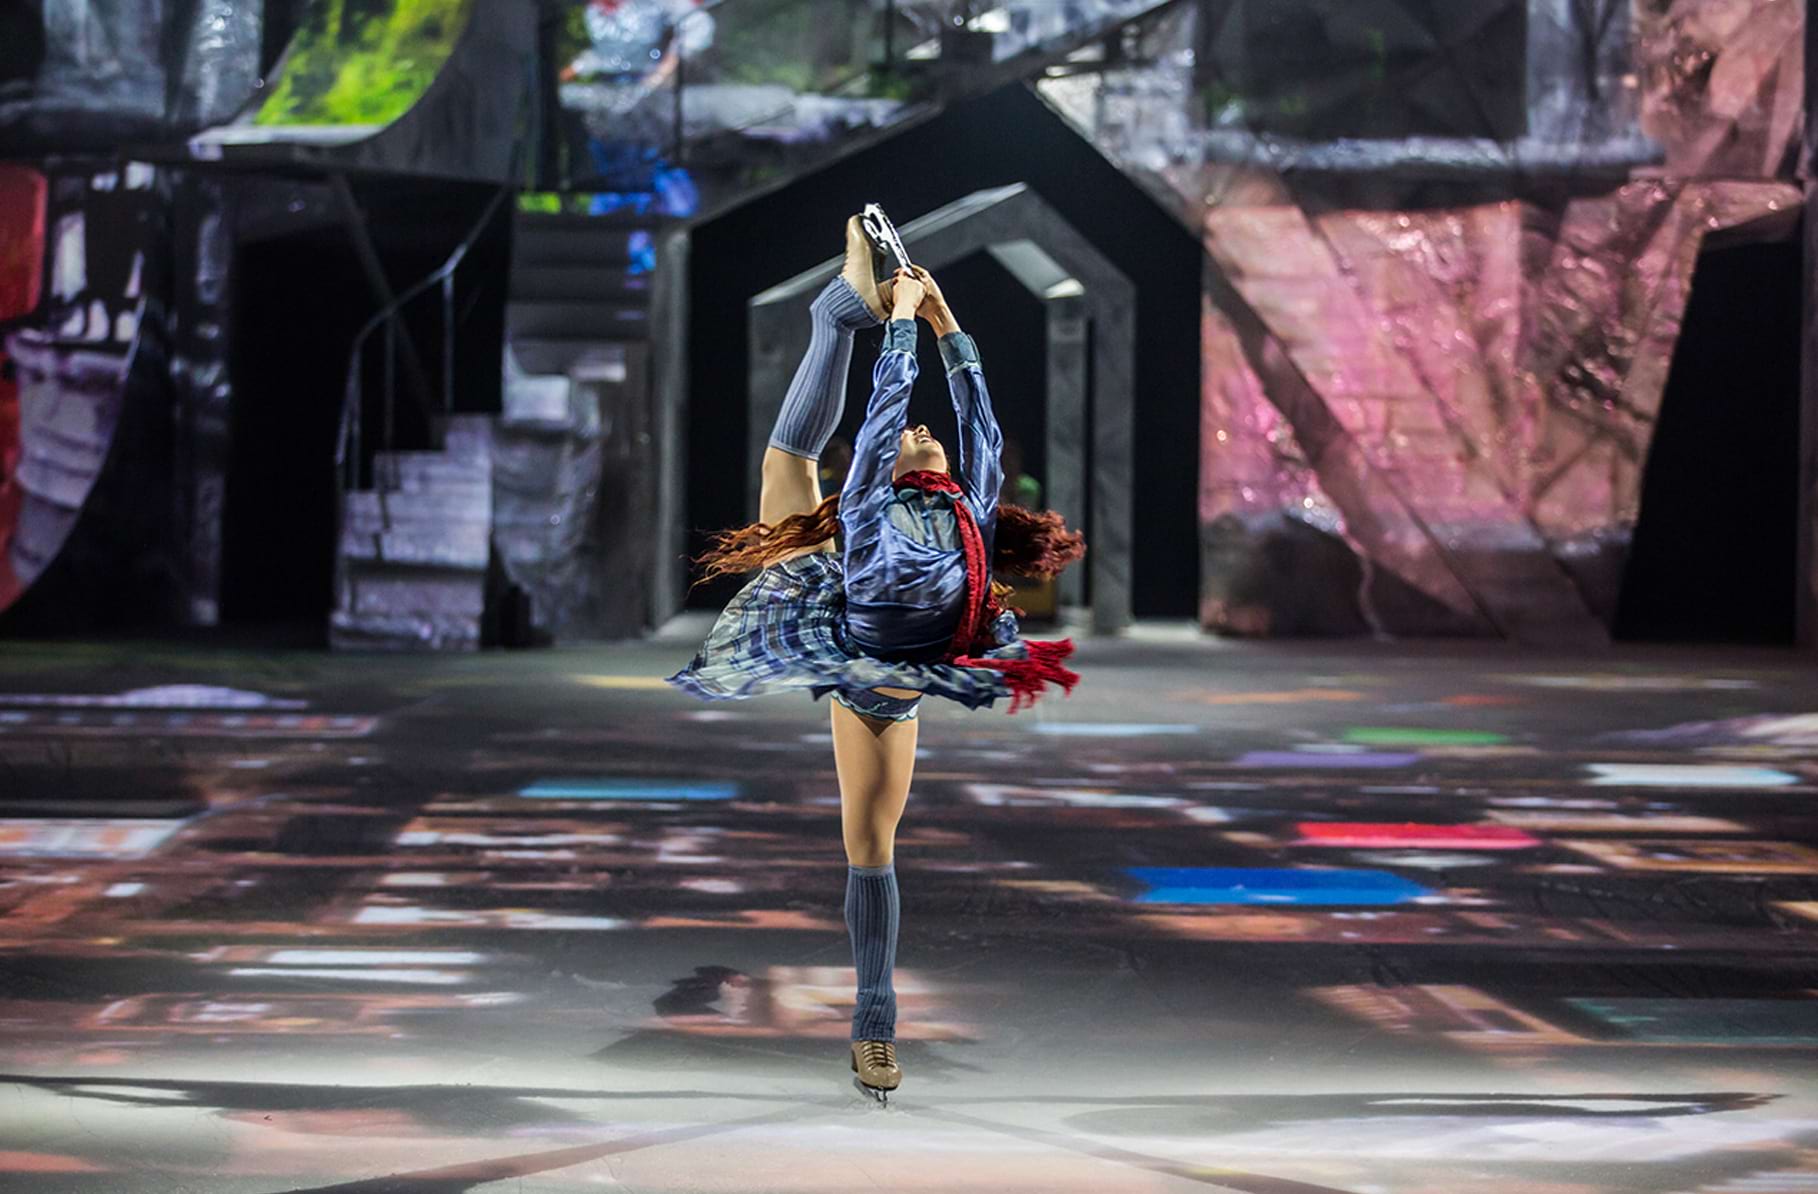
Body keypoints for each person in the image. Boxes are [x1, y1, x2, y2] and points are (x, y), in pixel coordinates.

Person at [666, 211, 1086, 1102]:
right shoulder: (866, 501)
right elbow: (885, 411)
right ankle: (837, 316)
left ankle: (834, 311)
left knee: (871, 839)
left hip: (896, 667)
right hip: (845, 630)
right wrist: (895, 326)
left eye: (919, 436)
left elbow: (982, 427)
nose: (919, 431)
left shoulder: (968, 505)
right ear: (886, 463)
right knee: (790, 471)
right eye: (905, 437)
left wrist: (943, 324)